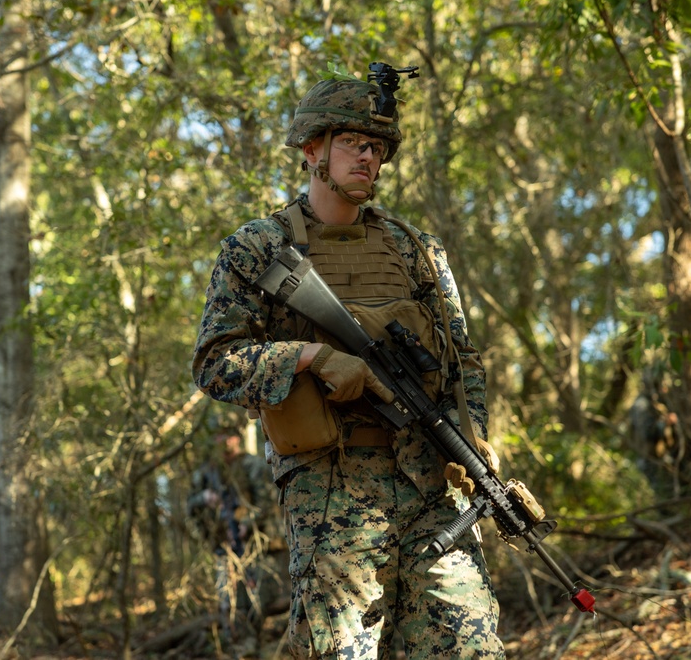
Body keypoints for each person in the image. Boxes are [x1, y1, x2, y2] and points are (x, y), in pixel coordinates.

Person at [192, 62, 505, 659]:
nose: (368, 158)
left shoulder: (416, 249)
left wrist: (476, 443)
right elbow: (215, 363)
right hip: (331, 495)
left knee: (469, 646)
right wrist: (307, 357)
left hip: (433, 481)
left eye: (377, 148)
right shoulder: (258, 249)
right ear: (313, 148)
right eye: (353, 143)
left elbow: (462, 358)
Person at [188, 428, 288, 658]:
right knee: (230, 605)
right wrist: (204, 498)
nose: (223, 441)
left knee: (260, 603)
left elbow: (267, 501)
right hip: (224, 549)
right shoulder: (206, 473)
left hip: (257, 547)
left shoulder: (252, 465)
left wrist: (248, 524)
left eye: (228, 435)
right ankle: (244, 651)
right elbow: (189, 506)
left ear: (238, 438)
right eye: (218, 436)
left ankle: (262, 648)